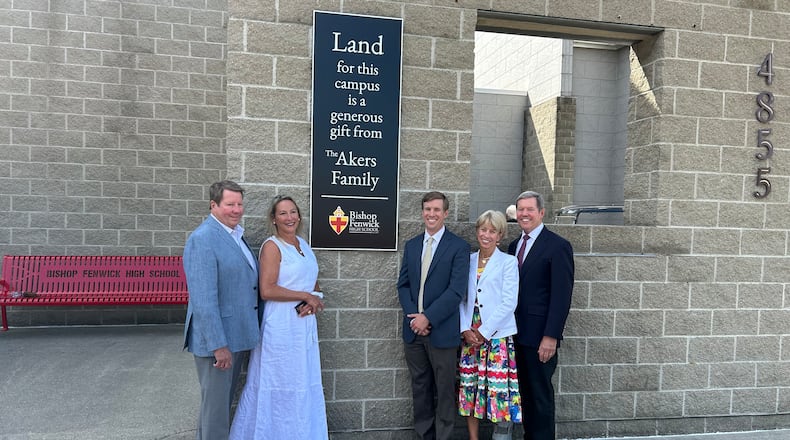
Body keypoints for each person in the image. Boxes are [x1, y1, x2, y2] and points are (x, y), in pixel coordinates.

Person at [230, 195, 328, 440]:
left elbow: (312, 280)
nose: (289, 218)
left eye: (293, 212)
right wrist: (305, 295)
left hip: (303, 324)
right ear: (273, 219)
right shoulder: (272, 246)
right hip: (281, 326)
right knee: (279, 383)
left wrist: (313, 299)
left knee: (303, 382)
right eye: (283, 213)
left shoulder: (303, 245)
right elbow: (267, 289)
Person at [183, 180, 261, 440]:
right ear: (213, 205)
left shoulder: (236, 236)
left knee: (216, 409)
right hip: (218, 342)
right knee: (215, 412)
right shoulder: (203, 239)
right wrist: (218, 345)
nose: (236, 210)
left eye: (239, 204)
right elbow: (204, 299)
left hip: (236, 335)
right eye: (230, 204)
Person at [397, 191, 471, 440]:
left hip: (442, 331)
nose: (431, 214)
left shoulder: (459, 247)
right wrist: (414, 318)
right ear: (422, 212)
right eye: (427, 209)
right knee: (420, 388)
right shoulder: (413, 245)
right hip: (413, 331)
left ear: (446, 213)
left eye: (437, 210)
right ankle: (424, 435)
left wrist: (427, 318)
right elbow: (403, 284)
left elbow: (456, 290)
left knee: (445, 390)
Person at [507, 191, 574, 440]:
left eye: (529, 209)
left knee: (540, 396)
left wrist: (551, 336)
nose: (524, 214)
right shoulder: (515, 246)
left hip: (540, 338)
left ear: (541, 212)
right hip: (516, 335)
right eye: (520, 209)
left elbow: (561, 296)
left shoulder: (557, 246)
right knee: (523, 394)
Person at [458, 210, 521, 440]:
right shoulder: (467, 260)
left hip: (495, 337)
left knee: (497, 391)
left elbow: (508, 302)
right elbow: (461, 298)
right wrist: (465, 329)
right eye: (483, 229)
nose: (486, 235)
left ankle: (501, 436)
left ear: (500, 235)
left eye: (492, 231)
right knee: (470, 388)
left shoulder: (508, 262)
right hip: (469, 337)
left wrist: (483, 332)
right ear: (477, 232)